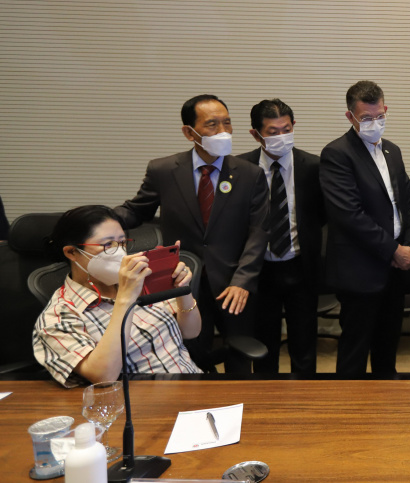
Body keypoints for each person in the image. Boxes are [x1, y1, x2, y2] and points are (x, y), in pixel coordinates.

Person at [115, 94, 269, 373]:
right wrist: (97, 221)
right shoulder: (164, 170)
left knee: (239, 359)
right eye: (212, 124)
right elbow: (136, 211)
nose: (222, 131)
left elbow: (258, 232)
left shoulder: (249, 174)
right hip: (183, 282)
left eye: (227, 123)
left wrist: (243, 281)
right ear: (189, 132)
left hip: (233, 284)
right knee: (191, 355)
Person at [33, 205, 202, 388]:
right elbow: (104, 376)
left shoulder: (143, 277)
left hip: (194, 383)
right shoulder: (59, 316)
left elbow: (191, 331)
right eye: (107, 244)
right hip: (143, 399)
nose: (119, 252)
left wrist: (182, 290)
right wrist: (126, 298)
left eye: (122, 243)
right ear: (72, 252)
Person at [320, 81, 410, 376]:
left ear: (385, 110)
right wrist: (394, 250)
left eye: (379, 116)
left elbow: (406, 203)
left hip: (394, 271)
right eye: (366, 118)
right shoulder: (337, 153)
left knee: (387, 350)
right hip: (359, 271)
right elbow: (349, 215)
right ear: (350, 116)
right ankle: (349, 405)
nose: (374, 124)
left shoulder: (392, 151)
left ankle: (386, 402)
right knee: (355, 353)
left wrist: (408, 246)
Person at [239, 99, 324, 375]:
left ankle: (305, 393)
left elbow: (323, 215)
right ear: (256, 134)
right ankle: (267, 393)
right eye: (273, 132)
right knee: (264, 342)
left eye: (286, 130)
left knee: (304, 341)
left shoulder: (313, 166)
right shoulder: (240, 168)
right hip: (259, 268)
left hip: (301, 266)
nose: (281, 137)